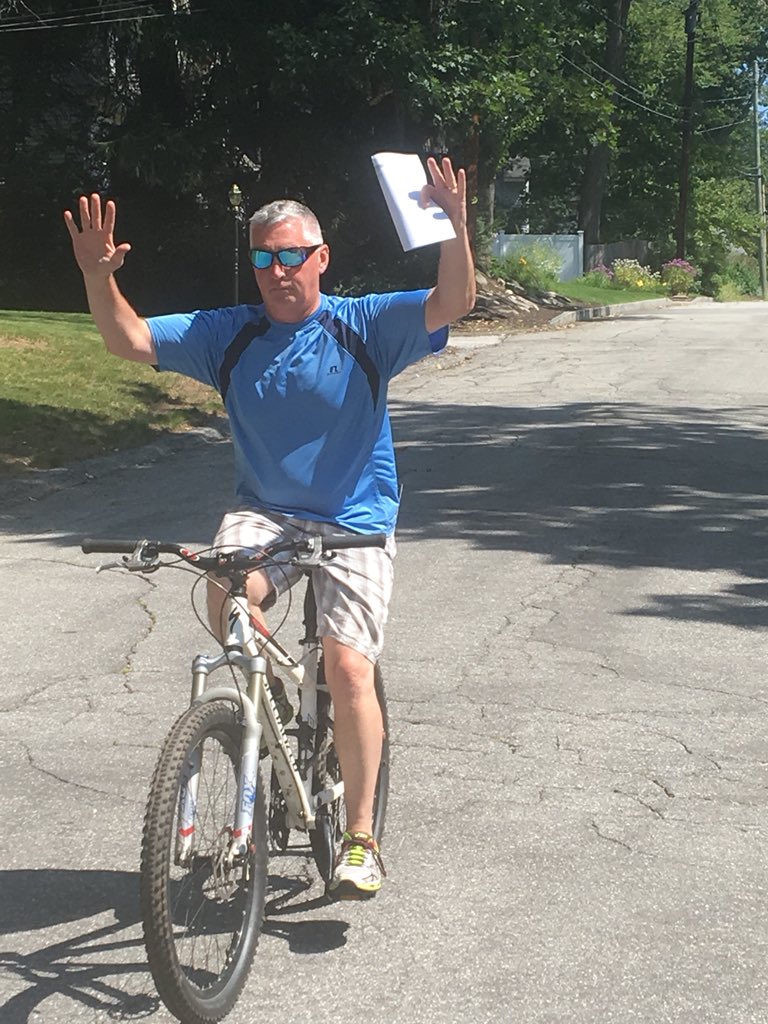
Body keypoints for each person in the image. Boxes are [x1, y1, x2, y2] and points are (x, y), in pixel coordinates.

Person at [64, 156, 476, 899]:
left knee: (348, 668)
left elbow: (454, 300)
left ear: (321, 258)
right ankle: (274, 703)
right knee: (226, 594)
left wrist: (454, 227)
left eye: (292, 256)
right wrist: (98, 277)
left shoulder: (365, 324)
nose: (278, 270)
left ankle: (360, 838)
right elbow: (128, 339)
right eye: (264, 258)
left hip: (355, 518)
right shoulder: (228, 333)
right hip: (266, 513)